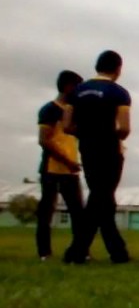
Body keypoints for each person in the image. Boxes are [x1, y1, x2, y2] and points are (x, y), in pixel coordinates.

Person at [61, 51, 132, 264]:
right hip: (110, 150)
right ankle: (77, 251)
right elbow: (124, 128)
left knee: (102, 199)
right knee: (101, 199)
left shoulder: (77, 92)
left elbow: (66, 125)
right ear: (118, 69)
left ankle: (117, 252)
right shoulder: (119, 93)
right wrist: (112, 134)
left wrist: (84, 132)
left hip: (87, 149)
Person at [35, 70, 85, 261]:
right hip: (52, 169)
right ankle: (44, 252)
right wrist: (67, 161)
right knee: (46, 211)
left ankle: (80, 250)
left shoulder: (74, 113)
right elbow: (44, 140)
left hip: (71, 171)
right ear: (68, 87)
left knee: (78, 213)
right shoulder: (50, 110)